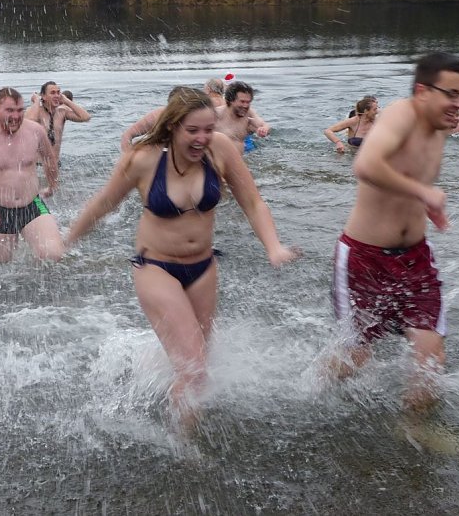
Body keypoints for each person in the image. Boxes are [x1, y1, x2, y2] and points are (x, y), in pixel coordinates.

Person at [66, 87, 298, 424]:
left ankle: (170, 394)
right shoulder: (143, 159)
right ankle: (183, 444)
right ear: (173, 126)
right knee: (194, 371)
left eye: (208, 129)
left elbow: (252, 202)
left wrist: (273, 246)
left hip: (203, 268)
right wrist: (68, 240)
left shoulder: (220, 148)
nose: (202, 138)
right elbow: (103, 203)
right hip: (155, 267)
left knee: (200, 361)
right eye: (192, 130)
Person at [328, 52, 459, 416]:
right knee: (356, 356)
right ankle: (307, 392)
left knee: (431, 356)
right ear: (423, 91)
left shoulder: (440, 126)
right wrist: (423, 192)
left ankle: (413, 429)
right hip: (365, 258)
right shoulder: (400, 114)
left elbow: (408, 177)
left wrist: (425, 204)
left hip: (415, 257)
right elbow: (366, 165)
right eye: (451, 94)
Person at [0, 88, 63, 263]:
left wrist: (52, 186)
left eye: (19, 110)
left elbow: (49, 160)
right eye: (9, 110)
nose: (16, 116)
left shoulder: (35, 131)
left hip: (32, 205)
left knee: (54, 256)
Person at [25, 81, 91, 162]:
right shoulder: (36, 112)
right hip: (37, 164)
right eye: (52, 93)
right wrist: (36, 101)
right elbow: (28, 122)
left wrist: (66, 101)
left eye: (58, 92)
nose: (56, 95)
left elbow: (86, 117)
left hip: (55, 164)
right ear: (44, 96)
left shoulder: (62, 112)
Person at [215, 81, 270, 154]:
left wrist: (263, 130)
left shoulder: (248, 113)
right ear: (230, 100)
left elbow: (264, 124)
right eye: (242, 102)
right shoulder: (215, 114)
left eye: (248, 102)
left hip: (243, 156)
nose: (245, 106)